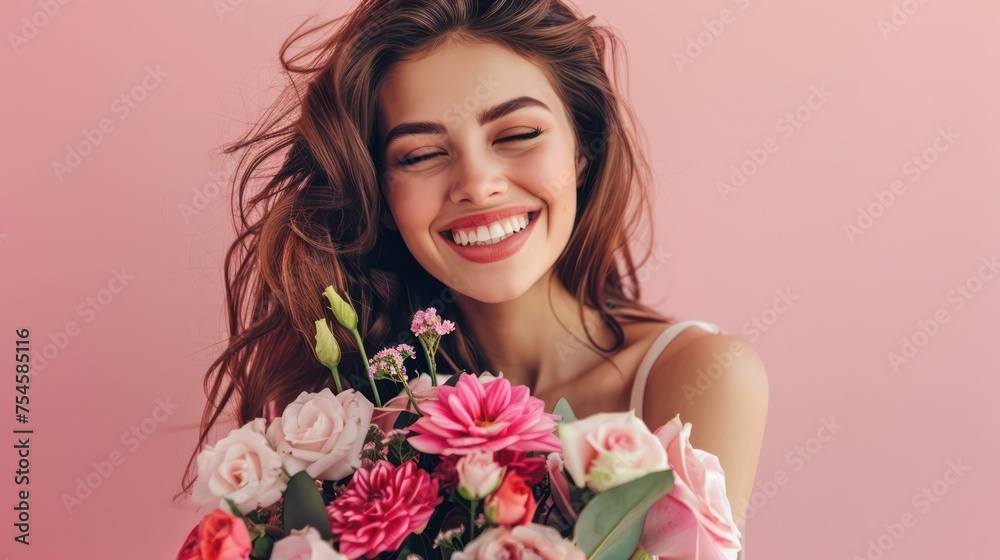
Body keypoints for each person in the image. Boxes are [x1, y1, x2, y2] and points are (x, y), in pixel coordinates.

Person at [177, 0, 768, 555]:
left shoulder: (703, 378)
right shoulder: (364, 417)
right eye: (419, 154)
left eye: (517, 135)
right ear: (381, 194)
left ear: (583, 149)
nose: (478, 184)